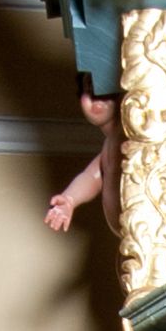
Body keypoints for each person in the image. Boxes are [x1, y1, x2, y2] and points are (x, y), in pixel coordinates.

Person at [45, 83, 120, 236]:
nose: (97, 99)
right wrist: (69, 199)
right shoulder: (109, 147)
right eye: (89, 91)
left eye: (107, 93)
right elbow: (91, 177)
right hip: (128, 236)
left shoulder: (127, 139)